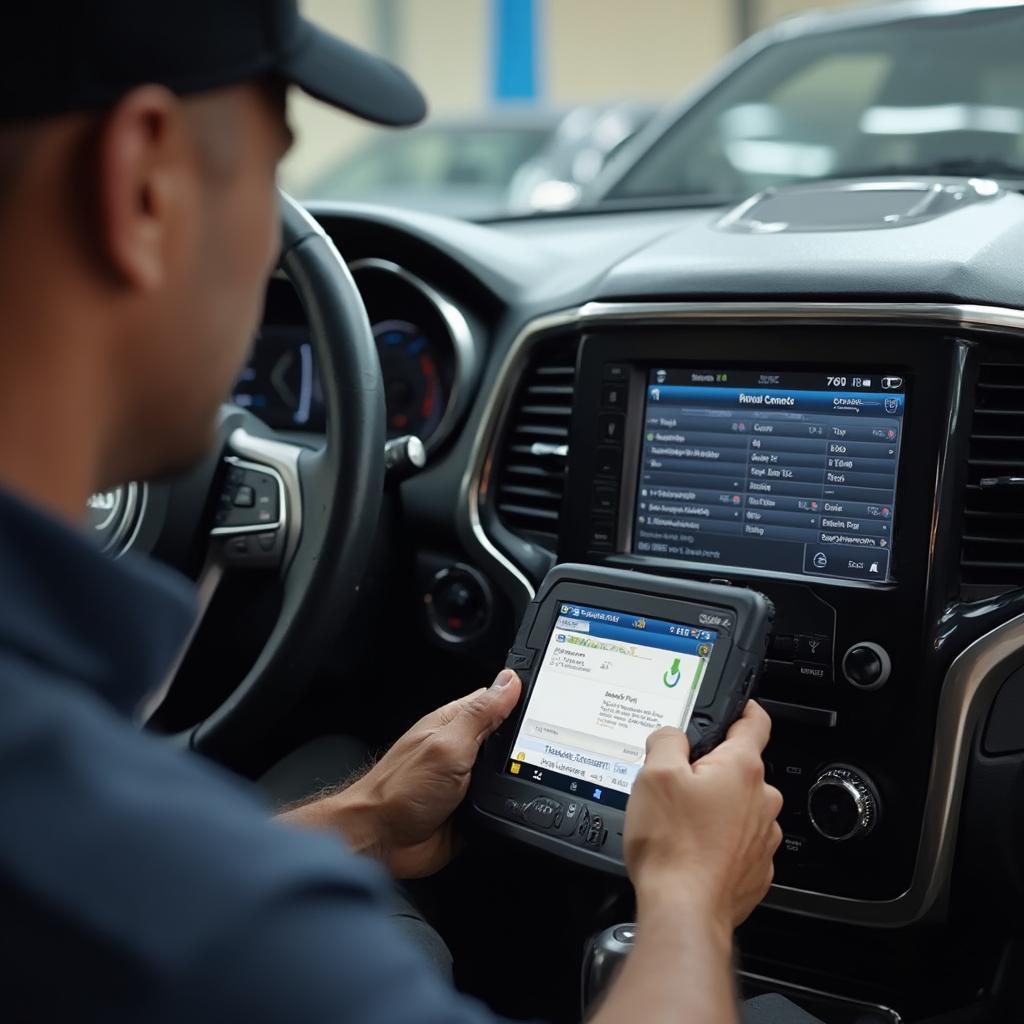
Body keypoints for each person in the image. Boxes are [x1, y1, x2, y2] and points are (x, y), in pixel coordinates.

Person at [0, 2, 784, 1022]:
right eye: (276, 177)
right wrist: (689, 896)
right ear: (144, 184)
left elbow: (111, 886)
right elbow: (169, 912)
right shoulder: (244, 945)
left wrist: (362, 814)